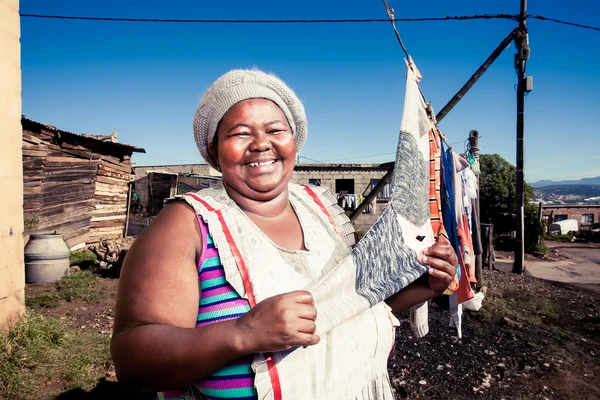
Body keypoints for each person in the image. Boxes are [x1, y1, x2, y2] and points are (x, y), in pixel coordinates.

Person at [110, 69, 458, 399]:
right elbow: (133, 361)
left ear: (294, 142)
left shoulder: (324, 212)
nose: (261, 144)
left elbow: (346, 308)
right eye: (240, 133)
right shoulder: (187, 225)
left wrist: (424, 286)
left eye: (275, 130)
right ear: (214, 151)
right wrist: (243, 333)